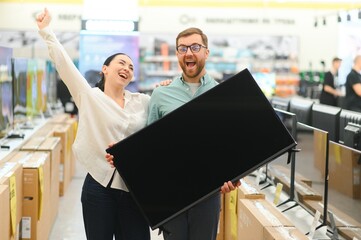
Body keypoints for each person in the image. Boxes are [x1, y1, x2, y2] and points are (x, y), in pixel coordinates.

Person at [36, 8, 171, 240]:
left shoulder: (144, 102)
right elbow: (64, 63)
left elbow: (161, 125)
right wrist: (47, 30)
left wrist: (167, 90)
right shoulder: (90, 97)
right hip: (99, 187)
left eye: (131, 67)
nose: (127, 69)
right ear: (105, 69)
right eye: (122, 63)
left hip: (133, 190)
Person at [106, 27, 240, 240]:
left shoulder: (221, 95)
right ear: (177, 54)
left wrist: (231, 176)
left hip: (207, 195)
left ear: (206, 52)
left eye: (195, 47)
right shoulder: (161, 94)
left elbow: (228, 146)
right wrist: (123, 155)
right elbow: (149, 147)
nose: (189, 52)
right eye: (183, 48)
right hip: (171, 195)